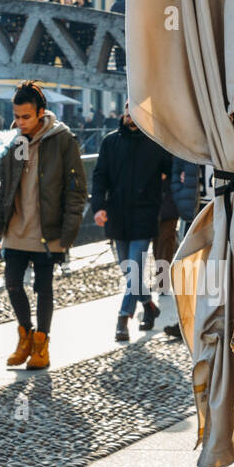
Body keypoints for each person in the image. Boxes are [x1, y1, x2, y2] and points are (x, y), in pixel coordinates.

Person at [0, 81, 88, 370]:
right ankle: (25, 337)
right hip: (16, 229)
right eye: (16, 116)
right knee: (12, 283)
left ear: (41, 112)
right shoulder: (14, 141)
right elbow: (6, 189)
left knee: (44, 289)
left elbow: (77, 189)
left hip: (48, 230)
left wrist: (69, 232)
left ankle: (42, 346)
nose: (20, 122)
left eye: (26, 117)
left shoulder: (62, 140)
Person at [91, 101, 171, 341]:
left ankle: (123, 318)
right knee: (129, 271)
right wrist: (98, 207)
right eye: (127, 108)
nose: (129, 113)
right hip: (117, 215)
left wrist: (154, 193)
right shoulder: (110, 142)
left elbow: (170, 170)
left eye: (134, 108)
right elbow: (99, 177)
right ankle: (148, 305)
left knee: (133, 267)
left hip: (144, 215)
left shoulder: (156, 144)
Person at [163, 158, 204, 339]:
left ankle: (205, 322)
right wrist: (181, 198)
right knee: (187, 271)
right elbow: (177, 168)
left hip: (221, 207)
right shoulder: (193, 135)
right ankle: (186, 322)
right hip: (193, 212)